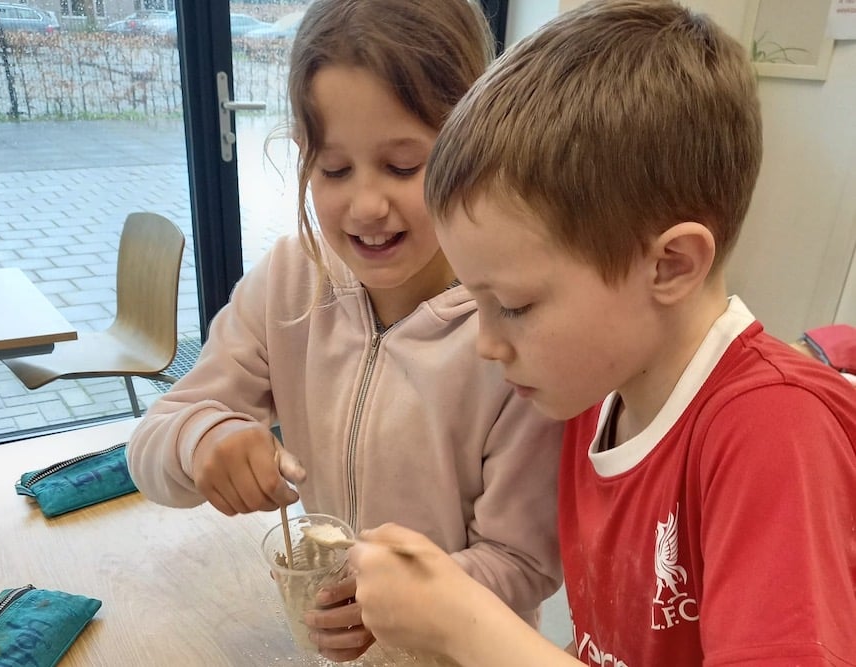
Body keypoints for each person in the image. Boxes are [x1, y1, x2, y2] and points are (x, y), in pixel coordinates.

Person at [349, 1, 856, 665]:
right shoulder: (595, 398)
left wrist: (466, 625)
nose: (488, 343)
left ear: (669, 265)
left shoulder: (771, 433)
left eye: (514, 304)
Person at [125, 0, 563, 662]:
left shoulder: (511, 326)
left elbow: (525, 561)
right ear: (302, 158)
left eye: (402, 165)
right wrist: (203, 441)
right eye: (333, 170)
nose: (364, 205)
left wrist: (401, 604)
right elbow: (154, 442)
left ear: (474, 151)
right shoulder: (289, 282)